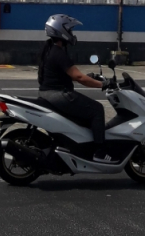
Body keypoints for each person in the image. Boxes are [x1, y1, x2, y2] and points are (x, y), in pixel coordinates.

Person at [37, 14, 112, 163]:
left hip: (47, 94)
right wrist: (103, 84)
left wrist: (90, 76)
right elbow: (78, 77)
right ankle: (99, 152)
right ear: (61, 31)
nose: (72, 34)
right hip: (58, 95)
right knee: (97, 109)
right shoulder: (59, 53)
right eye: (70, 31)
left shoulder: (49, 50)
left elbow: (69, 74)